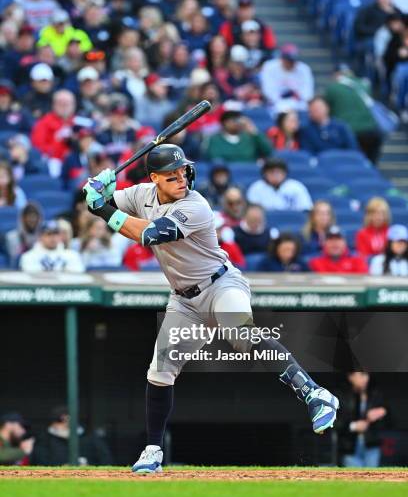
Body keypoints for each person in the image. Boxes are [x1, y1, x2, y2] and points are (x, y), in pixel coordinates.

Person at [83, 143, 339, 473]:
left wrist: (101, 208)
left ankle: (315, 394)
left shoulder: (196, 205)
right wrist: (96, 191)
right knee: (160, 371)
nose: (181, 179)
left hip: (220, 284)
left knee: (239, 332)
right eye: (172, 176)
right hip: (183, 300)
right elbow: (100, 202)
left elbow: (149, 235)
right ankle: (153, 451)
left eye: (183, 172)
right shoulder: (142, 194)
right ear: (155, 178)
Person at [324, 66, 383, 163]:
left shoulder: (333, 88)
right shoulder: (364, 84)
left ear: (336, 74)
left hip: (348, 133)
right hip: (371, 131)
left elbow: (326, 112)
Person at [31, 406, 112, 466]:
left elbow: (106, 461)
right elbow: (39, 462)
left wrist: (87, 466)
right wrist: (62, 467)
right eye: (61, 421)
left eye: (68, 420)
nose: (66, 424)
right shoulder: (43, 439)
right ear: (53, 423)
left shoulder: (90, 438)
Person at [337, 372, 387, 467]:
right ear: (350, 377)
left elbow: (389, 419)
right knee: (354, 479)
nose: (365, 379)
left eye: (366, 375)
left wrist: (382, 412)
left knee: (372, 478)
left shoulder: (375, 394)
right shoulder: (341, 396)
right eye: (362, 375)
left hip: (371, 445)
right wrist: (353, 426)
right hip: (349, 447)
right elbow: (334, 422)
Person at [31, 90, 76, 177]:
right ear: (53, 105)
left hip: (77, 163)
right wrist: (57, 141)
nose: (64, 107)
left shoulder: (80, 122)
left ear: (74, 105)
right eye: (60, 103)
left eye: (67, 103)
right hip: (54, 162)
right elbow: (38, 149)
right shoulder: (43, 123)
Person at [260, 44, 314, 112]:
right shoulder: (269, 67)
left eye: (293, 60)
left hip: (298, 104)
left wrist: (295, 97)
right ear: (282, 59)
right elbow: (268, 92)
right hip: (276, 104)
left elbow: (307, 94)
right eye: (289, 60)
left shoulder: (304, 69)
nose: (292, 63)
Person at [202, 110, 272, 162]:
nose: (236, 123)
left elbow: (267, 151)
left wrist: (253, 131)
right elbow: (214, 157)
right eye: (232, 120)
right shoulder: (215, 139)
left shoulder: (250, 137)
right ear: (224, 123)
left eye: (238, 120)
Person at [247, 159, 313, 212]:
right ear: (264, 174)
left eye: (279, 172)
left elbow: (306, 209)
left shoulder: (296, 187)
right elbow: (252, 212)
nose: (275, 175)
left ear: (285, 173)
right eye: (272, 172)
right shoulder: (256, 187)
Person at [20, 220, 85, 273]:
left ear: (60, 236)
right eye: (49, 234)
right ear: (40, 237)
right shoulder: (29, 256)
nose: (53, 237)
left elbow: (77, 274)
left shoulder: (72, 255)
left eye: (56, 234)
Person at [5, 201, 43, 267]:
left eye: (34, 217)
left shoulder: (44, 237)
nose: (32, 220)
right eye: (29, 217)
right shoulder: (12, 237)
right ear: (22, 218)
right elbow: (14, 259)